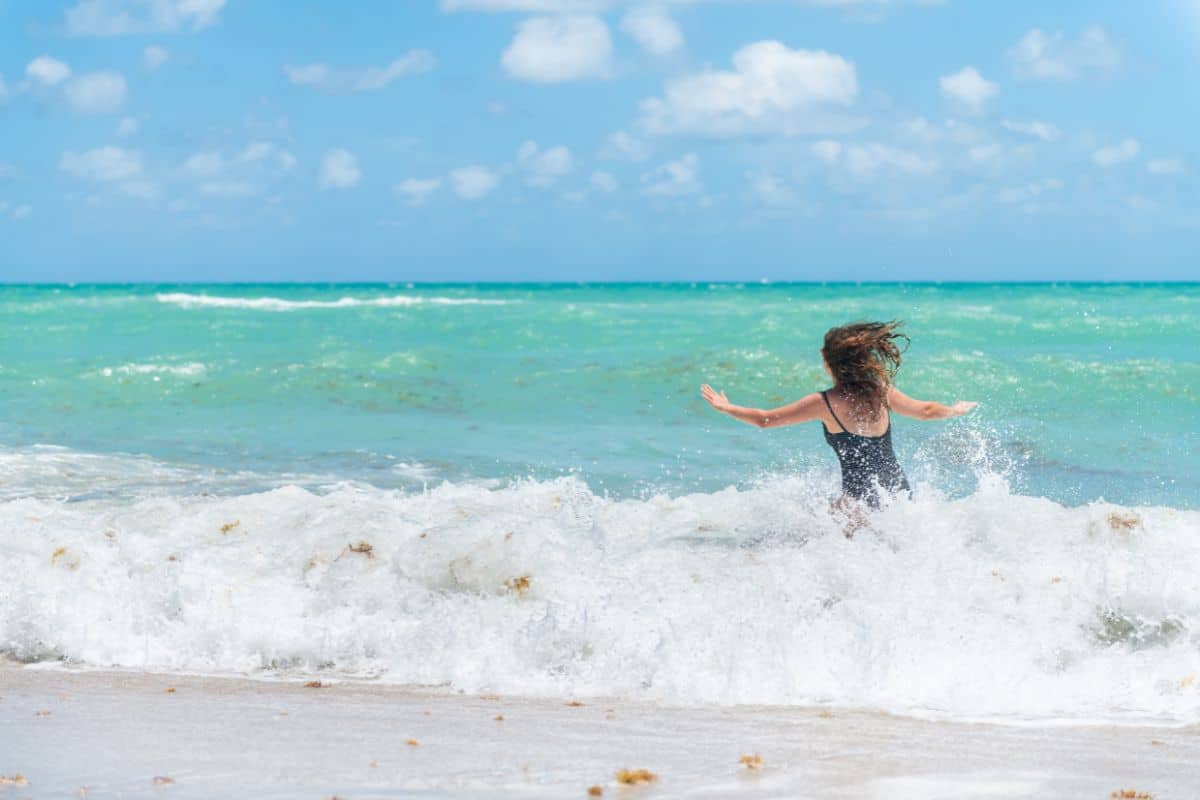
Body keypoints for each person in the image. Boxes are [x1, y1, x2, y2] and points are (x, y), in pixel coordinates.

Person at [700, 321, 977, 514]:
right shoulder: (881, 392)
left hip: (857, 504)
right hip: (899, 495)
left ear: (825, 358)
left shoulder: (824, 403)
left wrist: (727, 407)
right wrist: (954, 409)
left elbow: (765, 420)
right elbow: (926, 411)